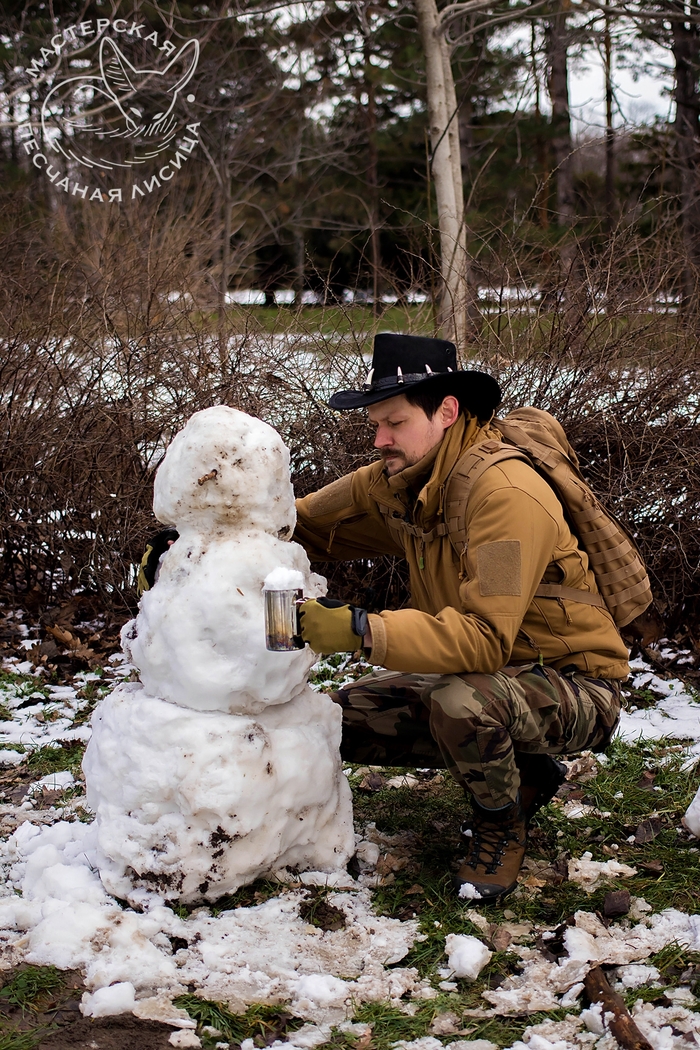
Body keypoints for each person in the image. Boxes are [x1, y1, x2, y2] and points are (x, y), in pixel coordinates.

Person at [294, 332, 629, 901]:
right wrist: (191, 540)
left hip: (573, 686)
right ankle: (525, 772)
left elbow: (483, 641)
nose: (379, 440)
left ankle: (500, 825)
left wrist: (361, 630)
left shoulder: (506, 496)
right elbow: (300, 524)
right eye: (376, 423)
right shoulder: (403, 481)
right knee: (330, 722)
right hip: (481, 678)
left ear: (446, 411)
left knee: (464, 704)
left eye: (394, 423)